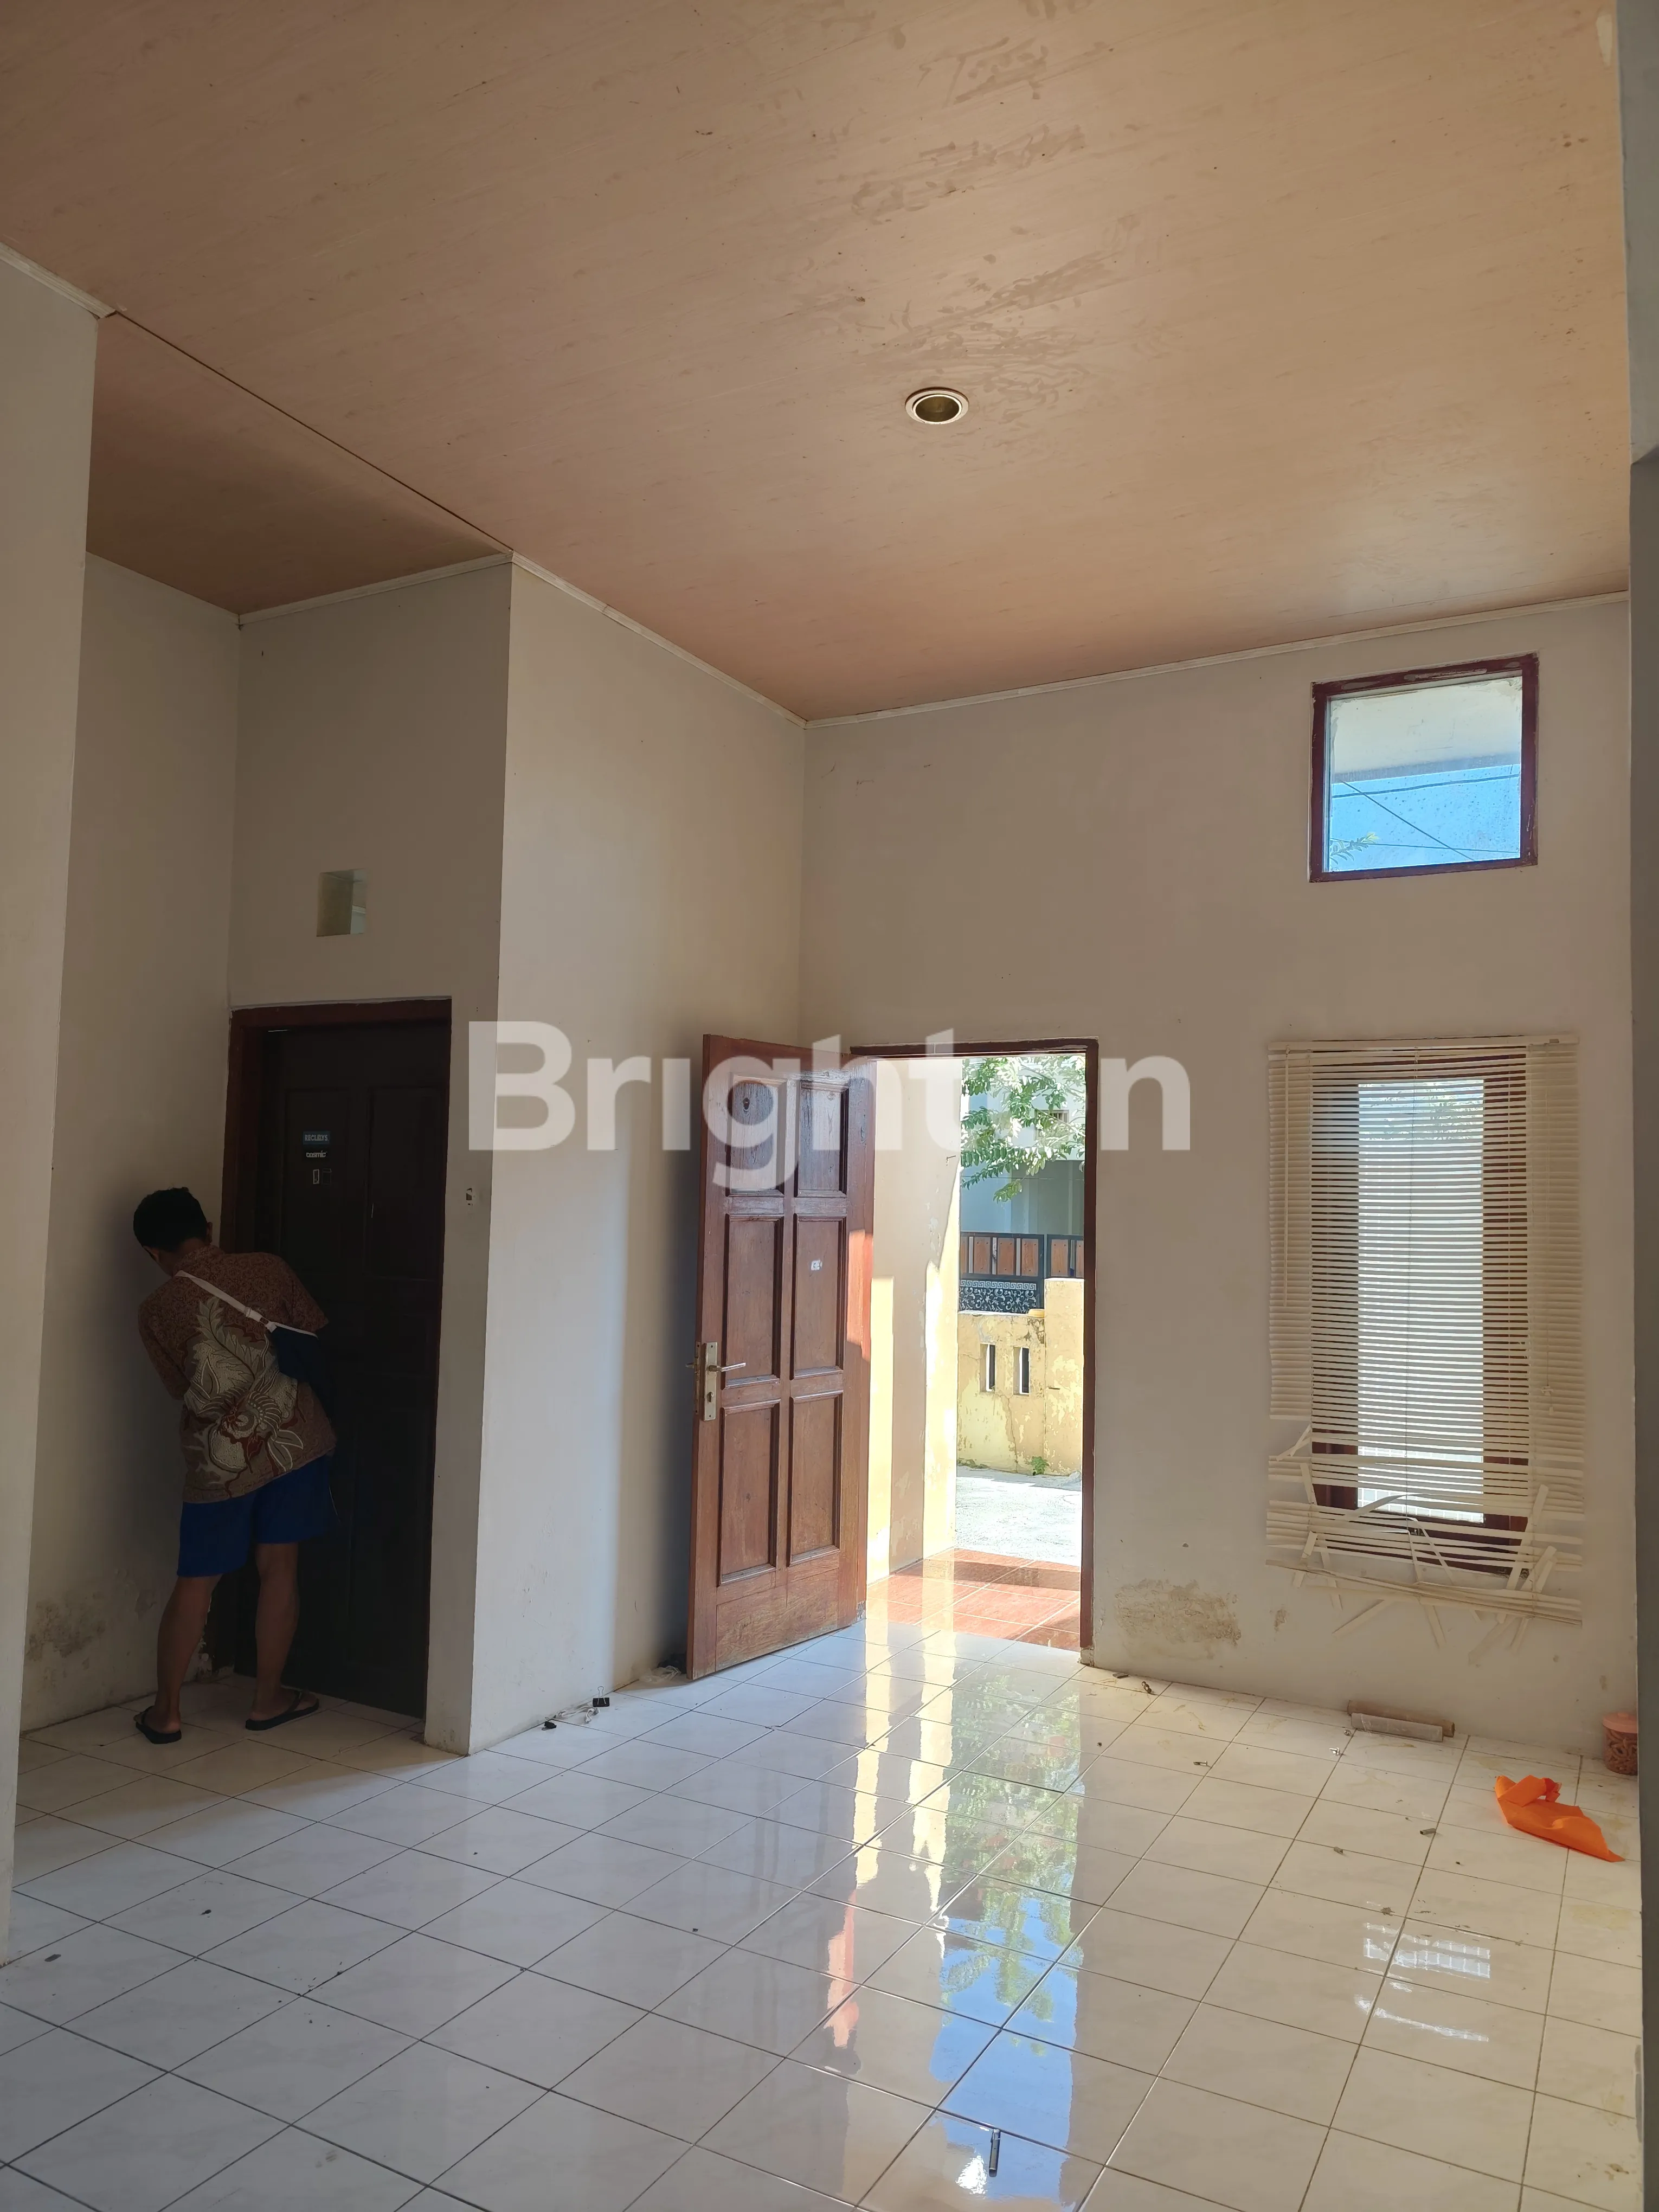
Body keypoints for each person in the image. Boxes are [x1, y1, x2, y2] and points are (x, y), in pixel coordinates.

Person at [131, 1186, 336, 1742]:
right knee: (280, 1567)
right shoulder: (269, 1268)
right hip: (294, 1443)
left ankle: (166, 1713)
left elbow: (178, 1386)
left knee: (196, 1582)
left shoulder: (155, 1311)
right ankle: (268, 1700)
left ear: (153, 1252)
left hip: (218, 1462)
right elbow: (312, 1331)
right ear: (208, 1228)